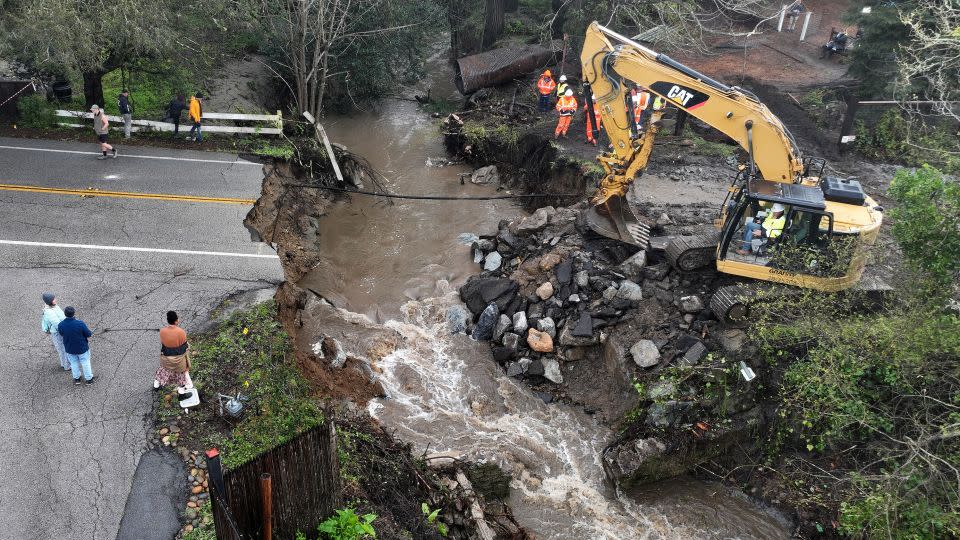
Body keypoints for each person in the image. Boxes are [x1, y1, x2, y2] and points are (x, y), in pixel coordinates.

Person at [154, 311, 193, 390]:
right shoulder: (181, 332)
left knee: (164, 371)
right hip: (179, 361)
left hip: (166, 359)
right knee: (181, 375)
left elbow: (164, 344)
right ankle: (182, 393)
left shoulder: (162, 331)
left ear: (168, 320)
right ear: (176, 321)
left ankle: (156, 385)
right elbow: (185, 347)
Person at [58, 306, 94, 385]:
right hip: (82, 348)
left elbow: (61, 333)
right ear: (74, 313)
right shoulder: (80, 323)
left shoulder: (61, 325)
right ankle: (89, 379)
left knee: (74, 363)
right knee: (85, 362)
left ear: (65, 314)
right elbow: (88, 334)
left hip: (69, 348)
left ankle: (77, 378)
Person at [40, 293, 70, 372]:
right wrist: (66, 330)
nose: (55, 299)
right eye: (54, 299)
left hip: (60, 330)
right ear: (50, 301)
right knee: (62, 348)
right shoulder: (49, 312)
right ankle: (66, 365)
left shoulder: (53, 306)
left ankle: (65, 363)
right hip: (58, 332)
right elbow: (57, 324)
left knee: (63, 347)